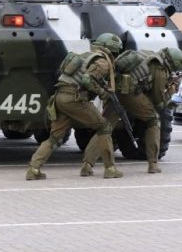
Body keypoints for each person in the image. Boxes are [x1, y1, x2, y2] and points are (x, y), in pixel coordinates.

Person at [26, 33, 124, 180]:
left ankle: (34, 169)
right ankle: (110, 168)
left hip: (60, 97)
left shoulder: (85, 56)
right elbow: (87, 80)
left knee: (54, 138)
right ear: (112, 50)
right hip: (75, 100)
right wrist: (103, 93)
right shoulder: (102, 62)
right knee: (104, 127)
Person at [85, 47, 182, 174]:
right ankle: (153, 164)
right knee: (153, 120)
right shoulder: (159, 68)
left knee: (105, 127)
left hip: (115, 90)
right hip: (131, 93)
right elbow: (159, 102)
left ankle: (87, 164)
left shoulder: (148, 54)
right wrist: (172, 89)